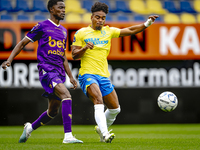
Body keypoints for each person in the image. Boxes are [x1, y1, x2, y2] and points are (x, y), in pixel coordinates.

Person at [71, 2, 158, 143]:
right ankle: (105, 134)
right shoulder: (81, 33)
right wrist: (85, 48)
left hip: (103, 75)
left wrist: (147, 23)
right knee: (98, 100)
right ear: (91, 17)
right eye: (97, 17)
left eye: (103, 18)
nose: (100, 20)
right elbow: (74, 55)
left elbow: (130, 30)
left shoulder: (108, 31)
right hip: (87, 74)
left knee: (115, 109)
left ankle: (101, 129)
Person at [1, 0, 83, 144]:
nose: (64, 10)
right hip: (47, 69)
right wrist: (9, 60)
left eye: (64, 8)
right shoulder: (42, 26)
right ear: (52, 9)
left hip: (59, 72)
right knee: (66, 95)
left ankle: (29, 128)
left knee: (53, 112)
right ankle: (68, 136)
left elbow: (63, 56)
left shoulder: (63, 31)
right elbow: (22, 43)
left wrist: (70, 76)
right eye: (60, 8)